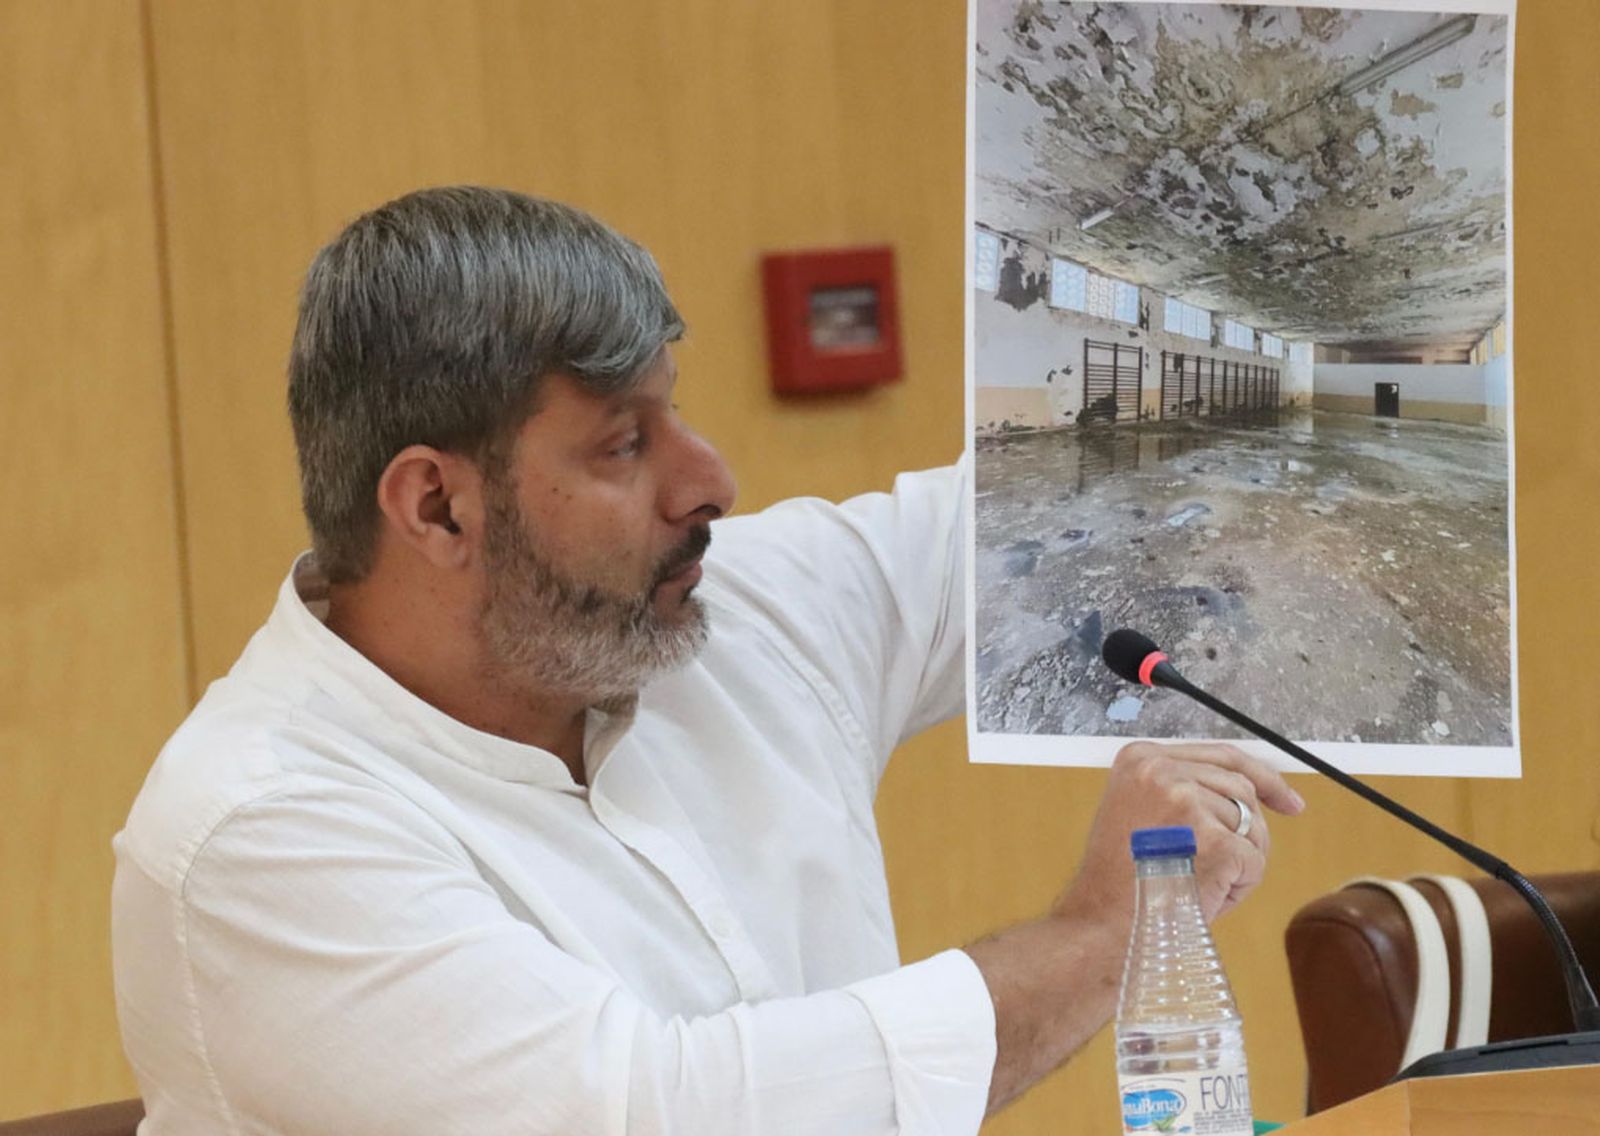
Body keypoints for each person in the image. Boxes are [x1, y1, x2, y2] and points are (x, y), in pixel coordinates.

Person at [111, 186, 1303, 1135]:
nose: (711, 480)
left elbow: (1046, 527)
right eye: (623, 443)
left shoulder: (718, 612)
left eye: (672, 414)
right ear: (437, 506)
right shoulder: (255, 834)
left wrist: (1267, 260)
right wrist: (1103, 933)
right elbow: (664, 1113)